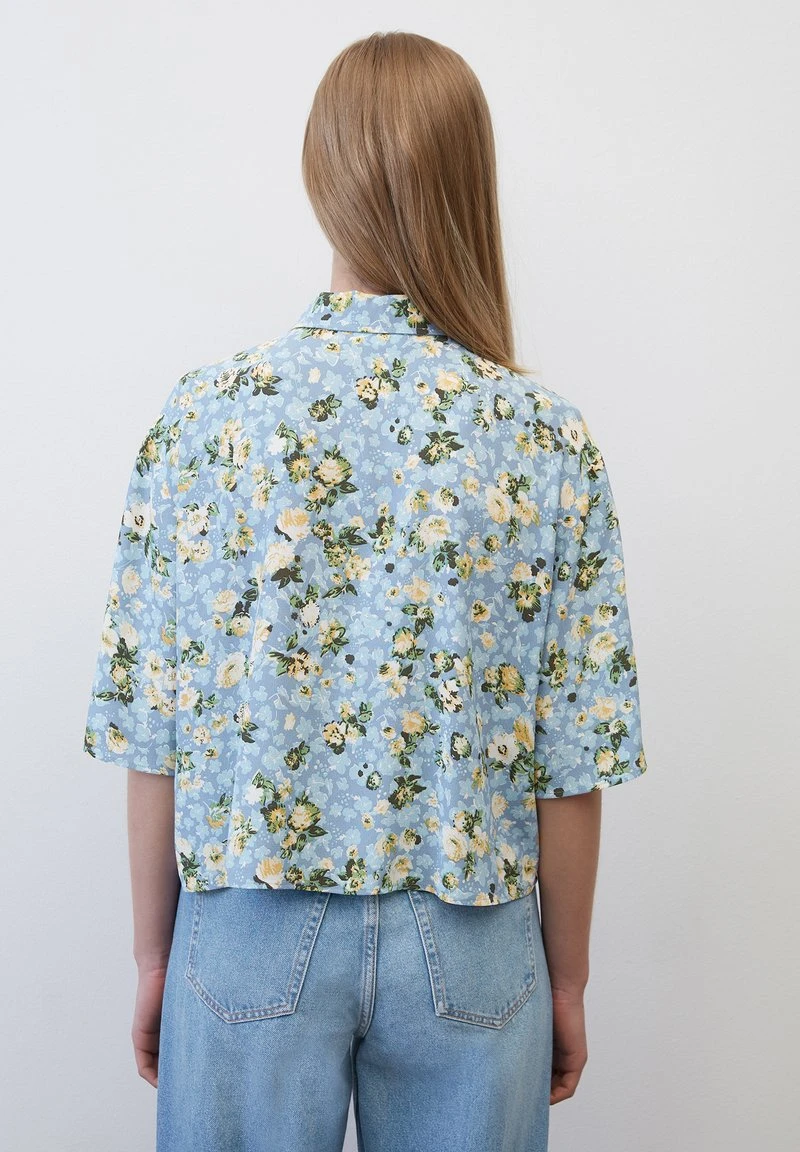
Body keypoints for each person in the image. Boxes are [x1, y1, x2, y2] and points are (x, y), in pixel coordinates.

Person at [84, 30, 648, 1152]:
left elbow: (154, 734)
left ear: (320, 174)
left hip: (245, 926)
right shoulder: (542, 436)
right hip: (473, 942)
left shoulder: (205, 419)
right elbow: (571, 760)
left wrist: (154, 956)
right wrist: (568, 979)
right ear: (467, 179)